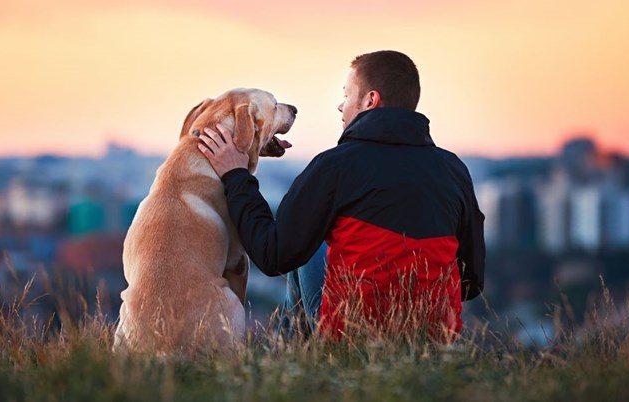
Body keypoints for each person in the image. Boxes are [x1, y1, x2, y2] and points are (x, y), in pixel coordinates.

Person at [197, 50, 485, 342]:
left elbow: (272, 255)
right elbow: (471, 281)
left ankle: (292, 364)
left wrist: (236, 176)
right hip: (434, 338)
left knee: (305, 247)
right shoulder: (453, 170)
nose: (340, 105)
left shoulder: (334, 166)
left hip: (353, 336)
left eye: (347, 95)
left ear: (370, 101)